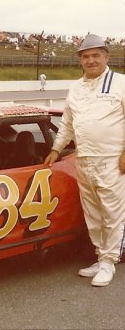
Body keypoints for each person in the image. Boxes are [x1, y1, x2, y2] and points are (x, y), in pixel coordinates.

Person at [44, 33, 125, 287]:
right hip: (84, 158)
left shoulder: (121, 83)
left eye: (95, 55)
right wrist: (56, 150)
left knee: (113, 212)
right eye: (86, 56)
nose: (91, 61)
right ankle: (101, 257)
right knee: (93, 213)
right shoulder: (75, 88)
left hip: (112, 159)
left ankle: (110, 262)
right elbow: (67, 124)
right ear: (80, 60)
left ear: (106, 57)